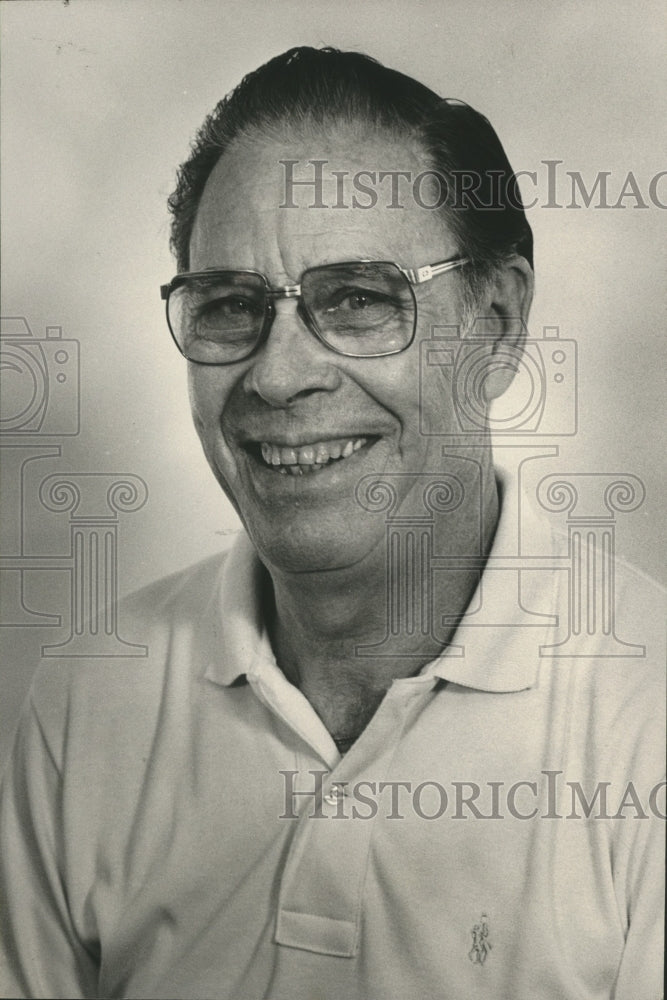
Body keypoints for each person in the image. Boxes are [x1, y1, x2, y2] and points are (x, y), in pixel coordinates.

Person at [0, 46, 663, 1000]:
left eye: (356, 300)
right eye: (230, 306)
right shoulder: (87, 704)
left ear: (501, 322)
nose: (277, 376)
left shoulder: (648, 724)